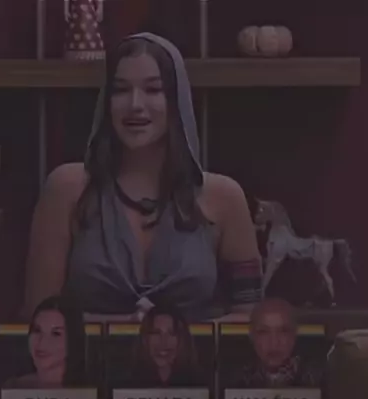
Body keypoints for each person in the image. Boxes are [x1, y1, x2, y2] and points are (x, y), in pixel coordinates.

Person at [24, 32, 262, 323]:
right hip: (88, 355)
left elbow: (251, 319)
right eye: (121, 90)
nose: (135, 104)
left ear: (176, 101)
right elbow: (36, 319)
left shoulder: (225, 198)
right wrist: (126, 327)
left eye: (153, 89)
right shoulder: (66, 190)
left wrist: (173, 338)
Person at [230, 298, 322, 388]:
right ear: (251, 335)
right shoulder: (235, 380)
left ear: (295, 334)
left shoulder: (317, 379)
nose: (274, 343)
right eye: (263, 332)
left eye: (283, 331)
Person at [129, 304, 206, 387]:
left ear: (181, 339)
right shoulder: (127, 383)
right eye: (156, 333)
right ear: (145, 339)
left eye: (172, 333)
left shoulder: (199, 383)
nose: (163, 341)